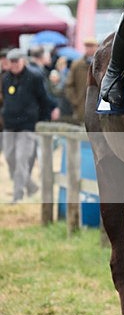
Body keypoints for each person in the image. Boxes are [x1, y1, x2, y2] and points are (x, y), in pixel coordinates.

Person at [1, 48, 59, 202]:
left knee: (21, 160)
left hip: (27, 125)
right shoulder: (5, 79)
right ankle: (31, 186)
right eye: (11, 62)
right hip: (9, 124)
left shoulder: (34, 77)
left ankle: (17, 196)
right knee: (9, 157)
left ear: (23, 61)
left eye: (16, 61)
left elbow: (43, 98)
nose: (13, 65)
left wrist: (48, 113)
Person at [65, 37, 99, 123]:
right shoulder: (77, 64)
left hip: (98, 106)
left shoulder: (101, 63)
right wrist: (76, 101)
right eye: (87, 47)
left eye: (91, 46)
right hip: (81, 106)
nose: (89, 49)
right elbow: (69, 85)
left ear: (97, 47)